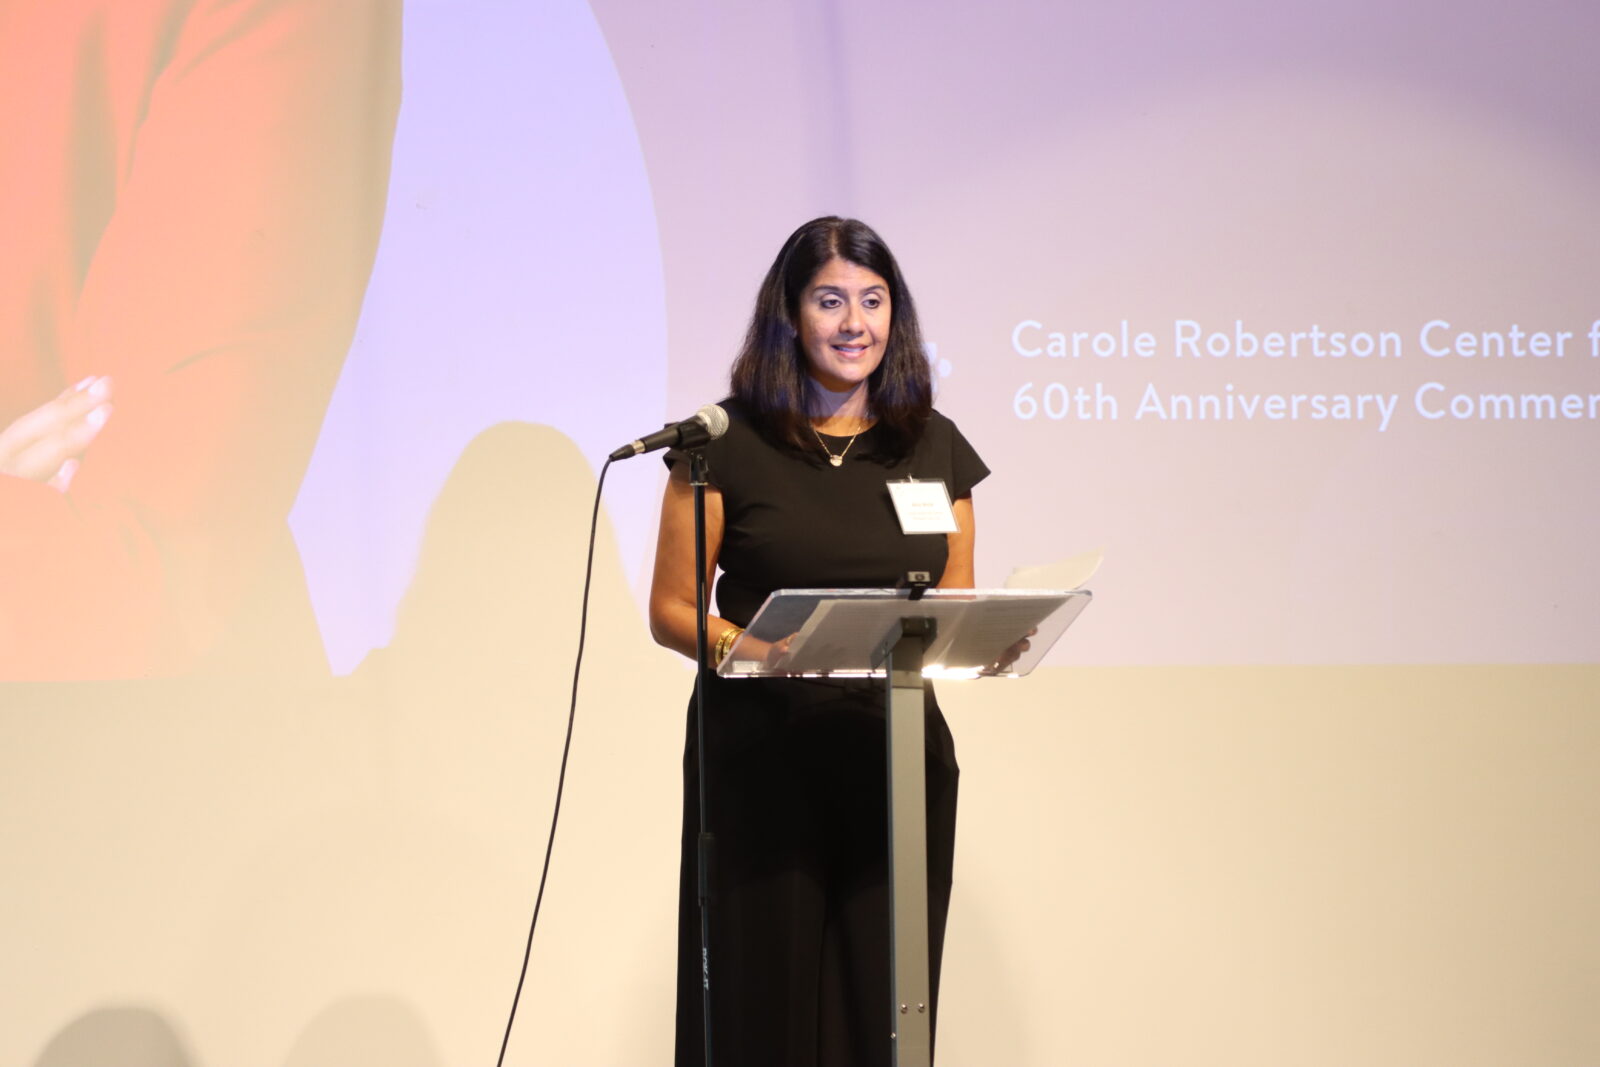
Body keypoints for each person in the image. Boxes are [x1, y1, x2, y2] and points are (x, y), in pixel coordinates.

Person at [649, 217, 989, 1065]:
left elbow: (952, 597)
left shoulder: (932, 444)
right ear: (790, 315)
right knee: (762, 999)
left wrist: (984, 638)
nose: (854, 323)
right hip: (763, 752)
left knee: (885, 1001)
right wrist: (759, 649)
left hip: (894, 750)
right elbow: (672, 607)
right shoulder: (725, 443)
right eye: (830, 299)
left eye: (873, 301)